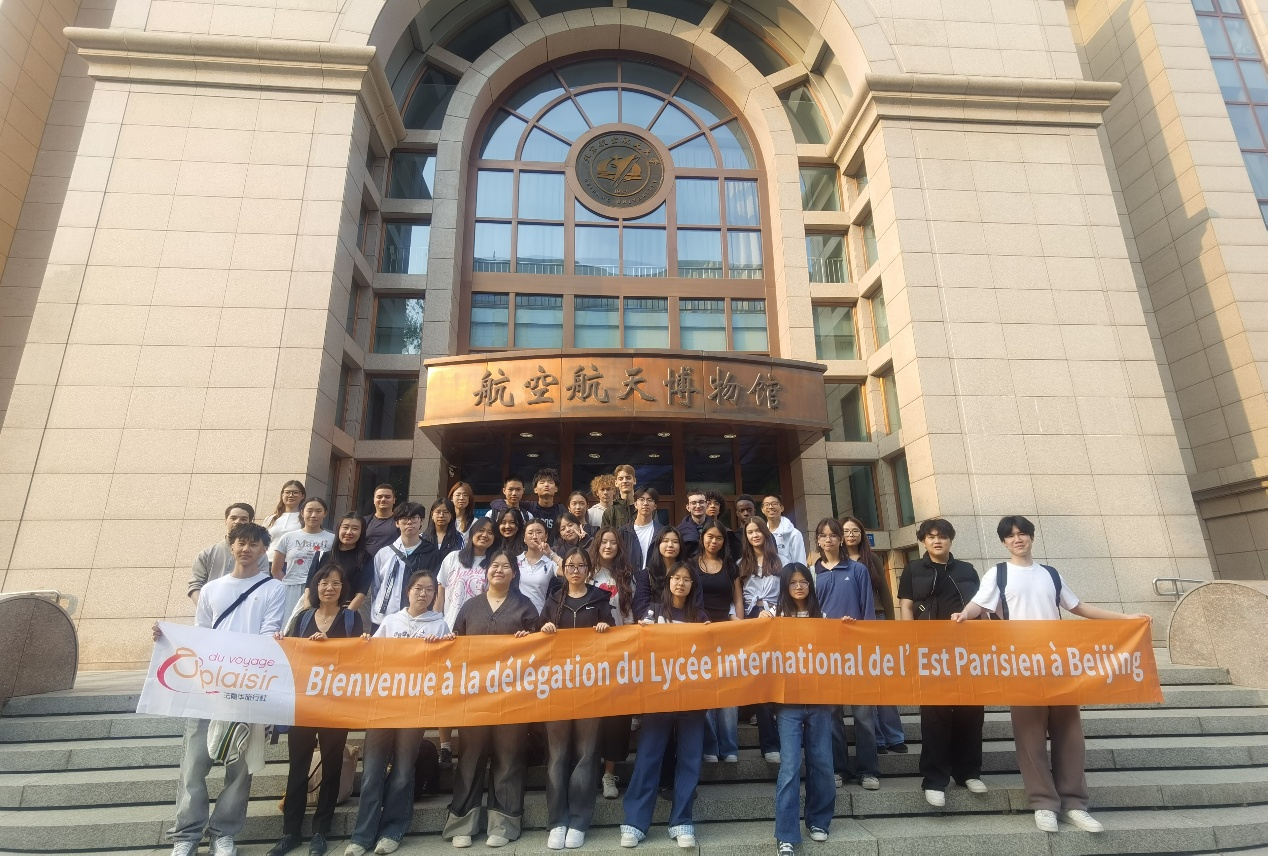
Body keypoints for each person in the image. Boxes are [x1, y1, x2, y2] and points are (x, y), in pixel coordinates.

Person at [953, 515, 1149, 834]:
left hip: (1058, 664)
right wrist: (964, 614)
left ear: (1031, 537)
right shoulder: (998, 574)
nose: (1018, 539)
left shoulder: (1050, 573)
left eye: (1022, 533)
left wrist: (1124, 618)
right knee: (1030, 736)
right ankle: (1043, 803)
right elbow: (977, 604)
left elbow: (1078, 607)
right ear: (1003, 542)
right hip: (1021, 665)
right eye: (1010, 536)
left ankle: (1075, 803)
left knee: (1069, 733)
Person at [156, 522, 285, 856]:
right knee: (193, 765)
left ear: (264, 550)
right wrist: (168, 637)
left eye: (254, 544)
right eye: (241, 543)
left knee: (239, 769)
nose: (246, 549)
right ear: (231, 547)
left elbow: (269, 631)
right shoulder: (212, 589)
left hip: (247, 687)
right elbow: (199, 634)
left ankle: (224, 833)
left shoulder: (274, 589)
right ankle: (186, 835)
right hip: (208, 687)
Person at [346, 571, 451, 856]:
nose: (423, 594)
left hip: (415, 706)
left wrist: (444, 646)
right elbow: (372, 656)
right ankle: (362, 835)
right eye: (418, 588)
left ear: (434, 595)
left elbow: (447, 664)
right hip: (382, 705)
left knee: (404, 771)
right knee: (372, 772)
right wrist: (366, 641)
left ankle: (392, 831)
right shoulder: (391, 621)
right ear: (408, 591)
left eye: (429, 590)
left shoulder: (440, 624)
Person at [442, 550, 538, 849]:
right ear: (486, 572)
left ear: (514, 573)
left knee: (508, 757)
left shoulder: (525, 606)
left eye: (506, 566)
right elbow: (456, 644)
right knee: (470, 757)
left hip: (513, 697)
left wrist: (529, 641)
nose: (499, 570)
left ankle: (504, 822)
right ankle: (463, 821)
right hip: (475, 697)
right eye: (494, 565)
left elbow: (539, 652)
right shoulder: (470, 606)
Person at [268, 566, 364, 856]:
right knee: (298, 766)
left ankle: (321, 831)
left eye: (335, 583)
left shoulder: (352, 619)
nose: (329, 588)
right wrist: (283, 642)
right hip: (304, 703)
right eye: (324, 583)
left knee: (332, 766)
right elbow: (289, 655)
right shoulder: (302, 618)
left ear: (343, 588)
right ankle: (291, 832)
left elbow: (359, 658)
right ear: (316, 587)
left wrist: (331, 646)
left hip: (336, 703)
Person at [896, 517, 985, 807]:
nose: (937, 541)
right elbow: (906, 606)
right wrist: (910, 642)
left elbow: (981, 607)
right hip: (929, 651)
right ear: (924, 541)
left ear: (950, 540)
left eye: (942, 536)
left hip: (966, 650)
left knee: (971, 710)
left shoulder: (967, 570)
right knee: (935, 714)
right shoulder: (913, 569)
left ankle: (968, 772)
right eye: (931, 536)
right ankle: (934, 779)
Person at [620, 563, 708, 849]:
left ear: (693, 586)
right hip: (659, 696)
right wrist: (641, 632)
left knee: (690, 759)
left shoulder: (700, 616)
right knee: (648, 756)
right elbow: (640, 648)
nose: (681, 583)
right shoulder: (653, 612)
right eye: (676, 578)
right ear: (669, 581)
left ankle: (682, 821)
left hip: (693, 697)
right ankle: (635, 822)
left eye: (687, 580)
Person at [538, 547, 614, 849]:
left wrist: (606, 628)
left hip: (590, 688)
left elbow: (614, 637)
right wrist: (544, 629)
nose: (576, 570)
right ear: (563, 569)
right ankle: (557, 821)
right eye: (570, 565)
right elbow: (537, 640)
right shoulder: (553, 600)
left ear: (589, 570)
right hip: (557, 687)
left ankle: (579, 821)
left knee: (586, 753)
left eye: (581, 566)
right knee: (557, 755)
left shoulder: (600, 599)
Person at [762, 563, 835, 856]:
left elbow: (835, 650)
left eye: (804, 581)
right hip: (788, 704)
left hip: (819, 701)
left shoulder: (823, 616)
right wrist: (762, 620)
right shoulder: (775, 614)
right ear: (785, 586)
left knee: (822, 763)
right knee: (790, 766)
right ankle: (786, 834)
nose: (799, 587)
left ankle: (818, 820)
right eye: (793, 583)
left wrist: (845, 628)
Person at [813, 517, 880, 791]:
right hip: (826, 655)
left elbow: (868, 611)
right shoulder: (812, 573)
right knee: (831, 715)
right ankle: (838, 768)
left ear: (841, 539)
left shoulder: (858, 569)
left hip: (857, 653)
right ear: (818, 540)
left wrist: (867, 645)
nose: (828, 540)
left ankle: (868, 770)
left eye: (833, 535)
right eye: (823, 535)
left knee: (863, 715)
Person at [434, 517, 498, 768]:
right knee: (448, 692)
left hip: (481, 636)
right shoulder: (453, 558)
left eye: (490, 532)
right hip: (450, 633)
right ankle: (445, 746)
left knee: (477, 691)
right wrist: (437, 623)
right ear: (471, 533)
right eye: (480, 530)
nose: (485, 535)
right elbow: (440, 593)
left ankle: (476, 745)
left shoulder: (494, 563)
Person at [842, 516, 906, 755]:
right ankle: (876, 738)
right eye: (846, 531)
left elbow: (885, 594)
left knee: (883, 680)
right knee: (864, 682)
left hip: (877, 620)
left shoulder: (873, 559)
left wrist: (891, 625)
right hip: (850, 625)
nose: (851, 535)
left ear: (862, 534)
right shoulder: (837, 561)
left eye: (855, 531)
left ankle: (894, 736)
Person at [690, 519, 743, 764]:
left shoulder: (730, 566)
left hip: (726, 632)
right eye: (710, 536)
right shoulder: (691, 565)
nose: (714, 541)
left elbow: (738, 598)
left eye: (719, 538)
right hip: (700, 633)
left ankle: (729, 747)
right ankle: (710, 746)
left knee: (729, 694)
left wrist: (739, 624)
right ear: (702, 538)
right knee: (706, 692)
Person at [589, 526, 636, 799]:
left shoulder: (626, 575)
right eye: (604, 542)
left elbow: (629, 615)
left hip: (618, 651)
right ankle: (587, 768)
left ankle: (609, 774)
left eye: (613, 542)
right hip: (589, 653)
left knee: (617, 717)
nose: (608, 546)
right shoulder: (586, 572)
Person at [738, 518, 781, 762]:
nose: (754, 535)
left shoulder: (781, 562)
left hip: (775, 621)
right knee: (760, 680)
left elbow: (787, 595)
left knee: (775, 679)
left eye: (758, 531)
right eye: (750, 532)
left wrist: (773, 612)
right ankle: (769, 745)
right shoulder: (740, 564)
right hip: (750, 621)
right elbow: (736, 599)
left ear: (765, 533)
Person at [368, 502, 433, 630]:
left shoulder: (431, 552)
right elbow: (376, 587)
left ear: (421, 521)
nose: (409, 522)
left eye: (414, 518)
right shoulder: (384, 553)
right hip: (384, 619)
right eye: (404, 518)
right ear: (397, 523)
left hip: (418, 621)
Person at [188, 502, 267, 605]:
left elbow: (262, 584)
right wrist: (206, 609)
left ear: (250, 523)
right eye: (233, 518)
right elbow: (195, 585)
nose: (238, 522)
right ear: (225, 521)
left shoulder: (259, 555)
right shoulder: (207, 554)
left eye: (243, 519)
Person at [271, 497, 334, 619]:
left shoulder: (332, 539)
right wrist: (288, 584)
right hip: (291, 588)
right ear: (302, 513)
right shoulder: (288, 537)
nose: (313, 515)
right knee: (289, 624)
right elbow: (276, 570)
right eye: (309, 511)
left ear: (325, 513)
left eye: (318, 511)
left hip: (319, 589)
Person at [300, 512, 371, 614]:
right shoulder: (321, 556)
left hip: (346, 611)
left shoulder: (366, 559)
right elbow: (309, 586)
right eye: (345, 527)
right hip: (318, 611)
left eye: (355, 528)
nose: (349, 532)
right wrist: (308, 611)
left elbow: (362, 592)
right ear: (338, 529)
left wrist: (346, 615)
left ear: (361, 532)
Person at [632, 526, 690, 618]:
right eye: (665, 541)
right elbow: (640, 608)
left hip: (684, 622)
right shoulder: (647, 574)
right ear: (658, 544)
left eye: (675, 542)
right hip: (654, 623)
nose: (670, 545)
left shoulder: (689, 572)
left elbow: (696, 603)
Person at [517, 518, 561, 614]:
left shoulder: (550, 563)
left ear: (546, 537)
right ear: (524, 538)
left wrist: (551, 554)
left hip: (538, 614)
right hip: (515, 614)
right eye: (530, 533)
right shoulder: (515, 561)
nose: (534, 536)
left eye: (539, 532)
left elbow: (569, 570)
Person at [617, 485, 659, 571]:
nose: (645, 503)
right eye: (641, 499)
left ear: (655, 506)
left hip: (653, 578)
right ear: (635, 504)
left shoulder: (661, 532)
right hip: (629, 577)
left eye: (649, 500)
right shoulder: (623, 531)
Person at [265, 480, 306, 562]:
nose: (291, 495)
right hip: (268, 561)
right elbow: (261, 542)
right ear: (282, 495)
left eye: (295, 492)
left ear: (302, 496)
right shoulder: (270, 518)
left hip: (293, 563)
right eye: (287, 492)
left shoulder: (305, 518)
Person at [761, 495, 806, 566]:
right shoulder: (762, 534)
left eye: (774, 503)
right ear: (762, 510)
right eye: (767, 504)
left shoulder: (794, 534)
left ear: (782, 508)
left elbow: (800, 562)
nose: (770, 507)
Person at [422, 498, 463, 567]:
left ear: (452, 515)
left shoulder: (459, 538)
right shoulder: (422, 538)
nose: (441, 515)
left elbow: (461, 562)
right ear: (432, 515)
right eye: (438, 512)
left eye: (446, 512)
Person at [363, 484, 399, 559]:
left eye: (387, 497)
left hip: (392, 563)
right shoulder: (363, 521)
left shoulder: (400, 521)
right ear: (374, 500)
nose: (383, 499)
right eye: (379, 497)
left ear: (394, 500)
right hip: (366, 563)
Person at [525, 467, 563, 535]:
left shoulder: (562, 510)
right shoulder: (528, 508)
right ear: (535, 489)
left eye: (550, 482)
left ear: (556, 489)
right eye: (542, 482)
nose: (546, 485)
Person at [676, 489, 710, 561]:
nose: (698, 506)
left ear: (707, 505)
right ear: (688, 507)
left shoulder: (716, 529)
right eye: (693, 503)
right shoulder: (679, 532)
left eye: (701, 502)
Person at [727, 494, 756, 560]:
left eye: (749, 510)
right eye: (742, 510)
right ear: (737, 514)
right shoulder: (733, 538)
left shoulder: (765, 535)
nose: (746, 513)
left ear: (754, 512)